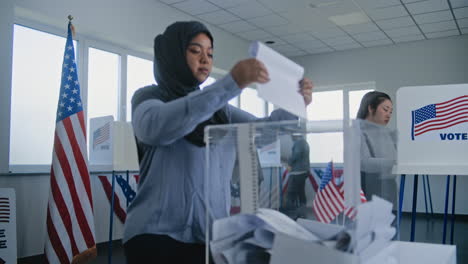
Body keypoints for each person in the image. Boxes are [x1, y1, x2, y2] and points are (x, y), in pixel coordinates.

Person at [123, 21, 313, 264]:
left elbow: (264, 132)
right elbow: (158, 128)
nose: (205, 59)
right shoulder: (149, 97)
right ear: (173, 54)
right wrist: (231, 83)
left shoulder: (220, 110)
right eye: (195, 51)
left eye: (210, 53)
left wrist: (294, 102)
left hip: (209, 237)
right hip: (155, 237)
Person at [356, 91, 397, 207]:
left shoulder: (387, 132)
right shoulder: (357, 131)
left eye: (390, 112)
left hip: (389, 186)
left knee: (389, 223)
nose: (388, 115)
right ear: (370, 108)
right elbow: (364, 163)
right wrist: (394, 162)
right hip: (369, 187)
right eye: (385, 109)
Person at [283, 134, 310, 218]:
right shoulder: (304, 142)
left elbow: (296, 155)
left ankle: (290, 215)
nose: (291, 137)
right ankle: (302, 213)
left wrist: (289, 162)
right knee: (300, 193)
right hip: (303, 171)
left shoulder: (299, 143)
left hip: (297, 172)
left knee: (291, 193)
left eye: (292, 135)